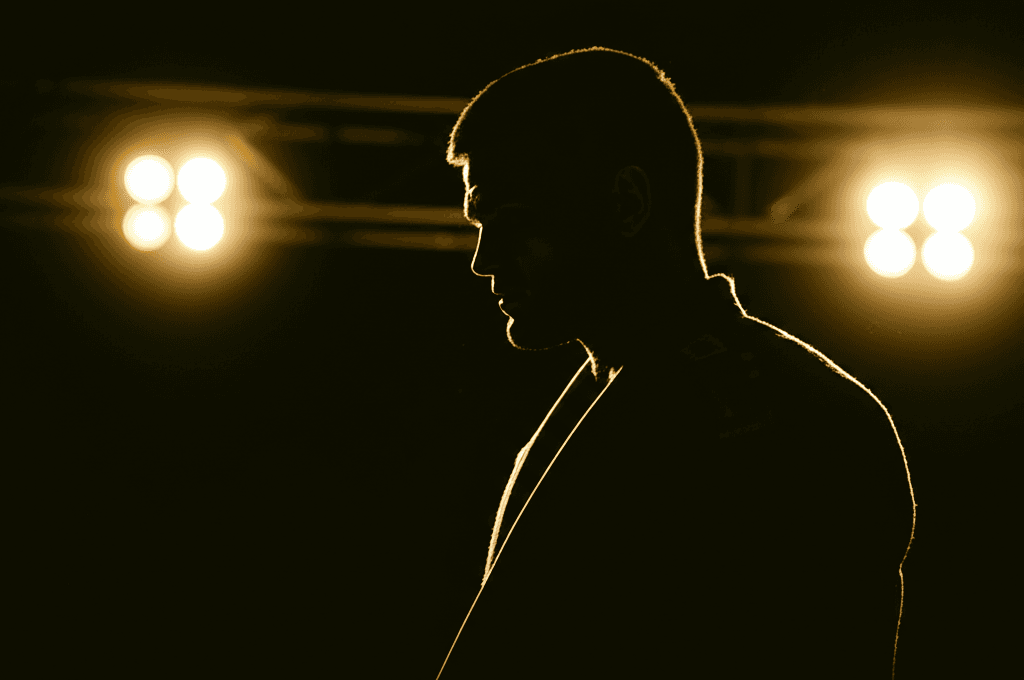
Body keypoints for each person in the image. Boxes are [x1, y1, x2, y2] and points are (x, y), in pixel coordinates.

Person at [436, 47, 915, 679]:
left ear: (627, 202)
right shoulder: (614, 407)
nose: (484, 258)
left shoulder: (794, 425)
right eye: (479, 223)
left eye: (513, 221)